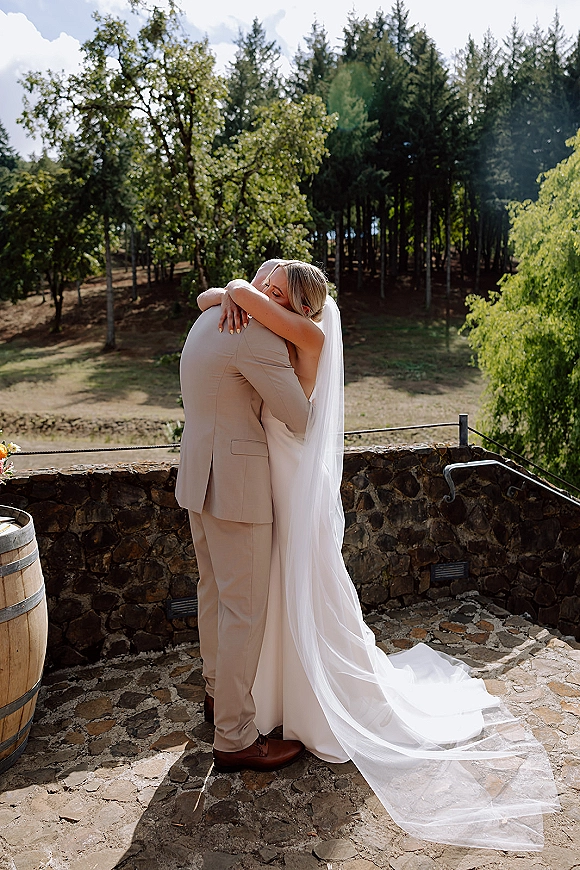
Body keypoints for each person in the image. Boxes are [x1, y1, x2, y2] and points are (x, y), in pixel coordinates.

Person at [197, 260, 559, 851]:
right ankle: (264, 700)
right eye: (265, 286)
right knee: (266, 591)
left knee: (300, 582)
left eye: (278, 291)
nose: (265, 293)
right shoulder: (274, 327)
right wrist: (234, 293)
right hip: (269, 481)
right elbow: (208, 298)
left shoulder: (307, 336)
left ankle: (311, 702)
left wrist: (237, 291)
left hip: (289, 477)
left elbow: (227, 298)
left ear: (303, 308)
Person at [175, 262, 311, 773]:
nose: (269, 298)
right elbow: (299, 418)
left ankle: (216, 698)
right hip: (236, 487)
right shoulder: (256, 336)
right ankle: (234, 737)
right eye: (267, 289)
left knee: (212, 593)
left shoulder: (208, 317)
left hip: (197, 476)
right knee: (244, 611)